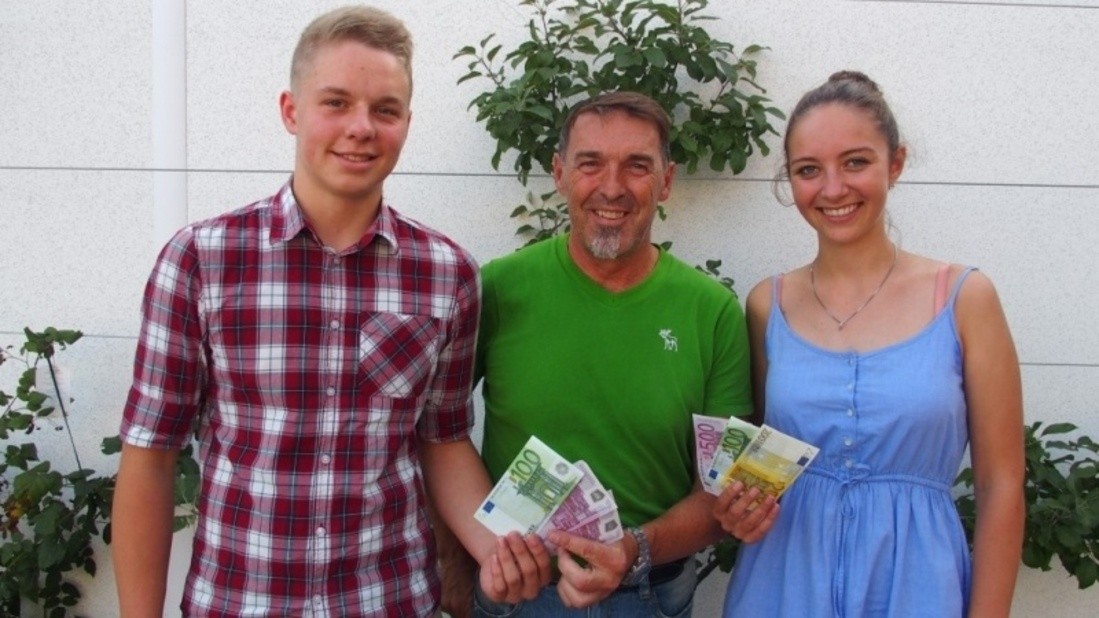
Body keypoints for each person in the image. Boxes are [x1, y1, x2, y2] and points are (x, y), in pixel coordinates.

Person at [112, 6, 546, 616]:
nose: (361, 127)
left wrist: (496, 549)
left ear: (406, 123)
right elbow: (150, 456)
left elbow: (443, 440)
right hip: (241, 600)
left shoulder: (447, 274)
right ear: (291, 110)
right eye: (336, 103)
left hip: (389, 600)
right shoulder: (200, 261)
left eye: (385, 110)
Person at [714, 71, 1025, 617]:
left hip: (916, 587)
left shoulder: (965, 299)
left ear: (895, 164)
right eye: (809, 170)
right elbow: (759, 465)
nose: (833, 189)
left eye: (855, 162)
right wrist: (735, 508)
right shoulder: (768, 304)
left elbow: (1001, 484)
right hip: (783, 585)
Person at [451, 91, 754, 616]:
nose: (612, 187)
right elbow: (436, 435)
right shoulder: (497, 289)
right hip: (517, 594)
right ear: (560, 173)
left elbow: (721, 493)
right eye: (590, 163)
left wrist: (632, 550)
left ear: (666, 181)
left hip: (653, 594)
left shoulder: (713, 312)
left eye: (637, 166)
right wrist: (454, 565)